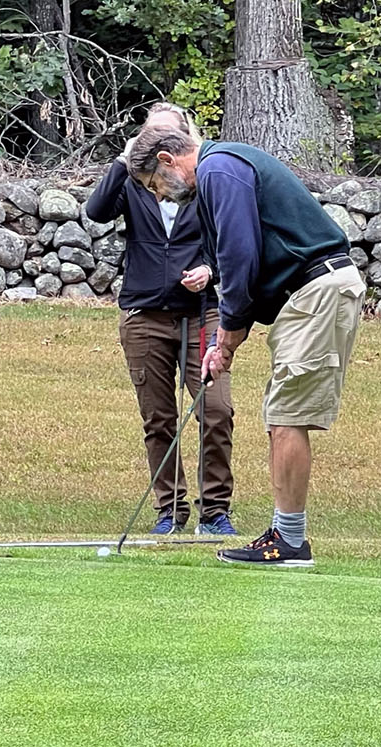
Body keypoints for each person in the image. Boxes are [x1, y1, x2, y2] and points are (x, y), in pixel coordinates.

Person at [124, 120, 365, 567]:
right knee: (281, 416)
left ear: (167, 160)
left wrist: (228, 338)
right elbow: (238, 262)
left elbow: (240, 256)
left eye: (155, 184)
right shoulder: (221, 169)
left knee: (288, 416)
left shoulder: (219, 169)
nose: (159, 195)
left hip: (317, 289)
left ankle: (289, 542)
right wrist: (225, 337)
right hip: (306, 296)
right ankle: (286, 536)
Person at [84, 104, 238, 535]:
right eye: (149, 135)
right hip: (144, 314)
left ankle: (215, 511)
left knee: (216, 409)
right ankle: (169, 510)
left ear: (184, 141)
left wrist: (212, 272)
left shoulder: (203, 180)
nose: (156, 144)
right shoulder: (136, 182)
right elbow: (96, 211)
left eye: (166, 136)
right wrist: (124, 159)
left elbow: (232, 240)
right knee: (158, 418)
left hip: (202, 313)